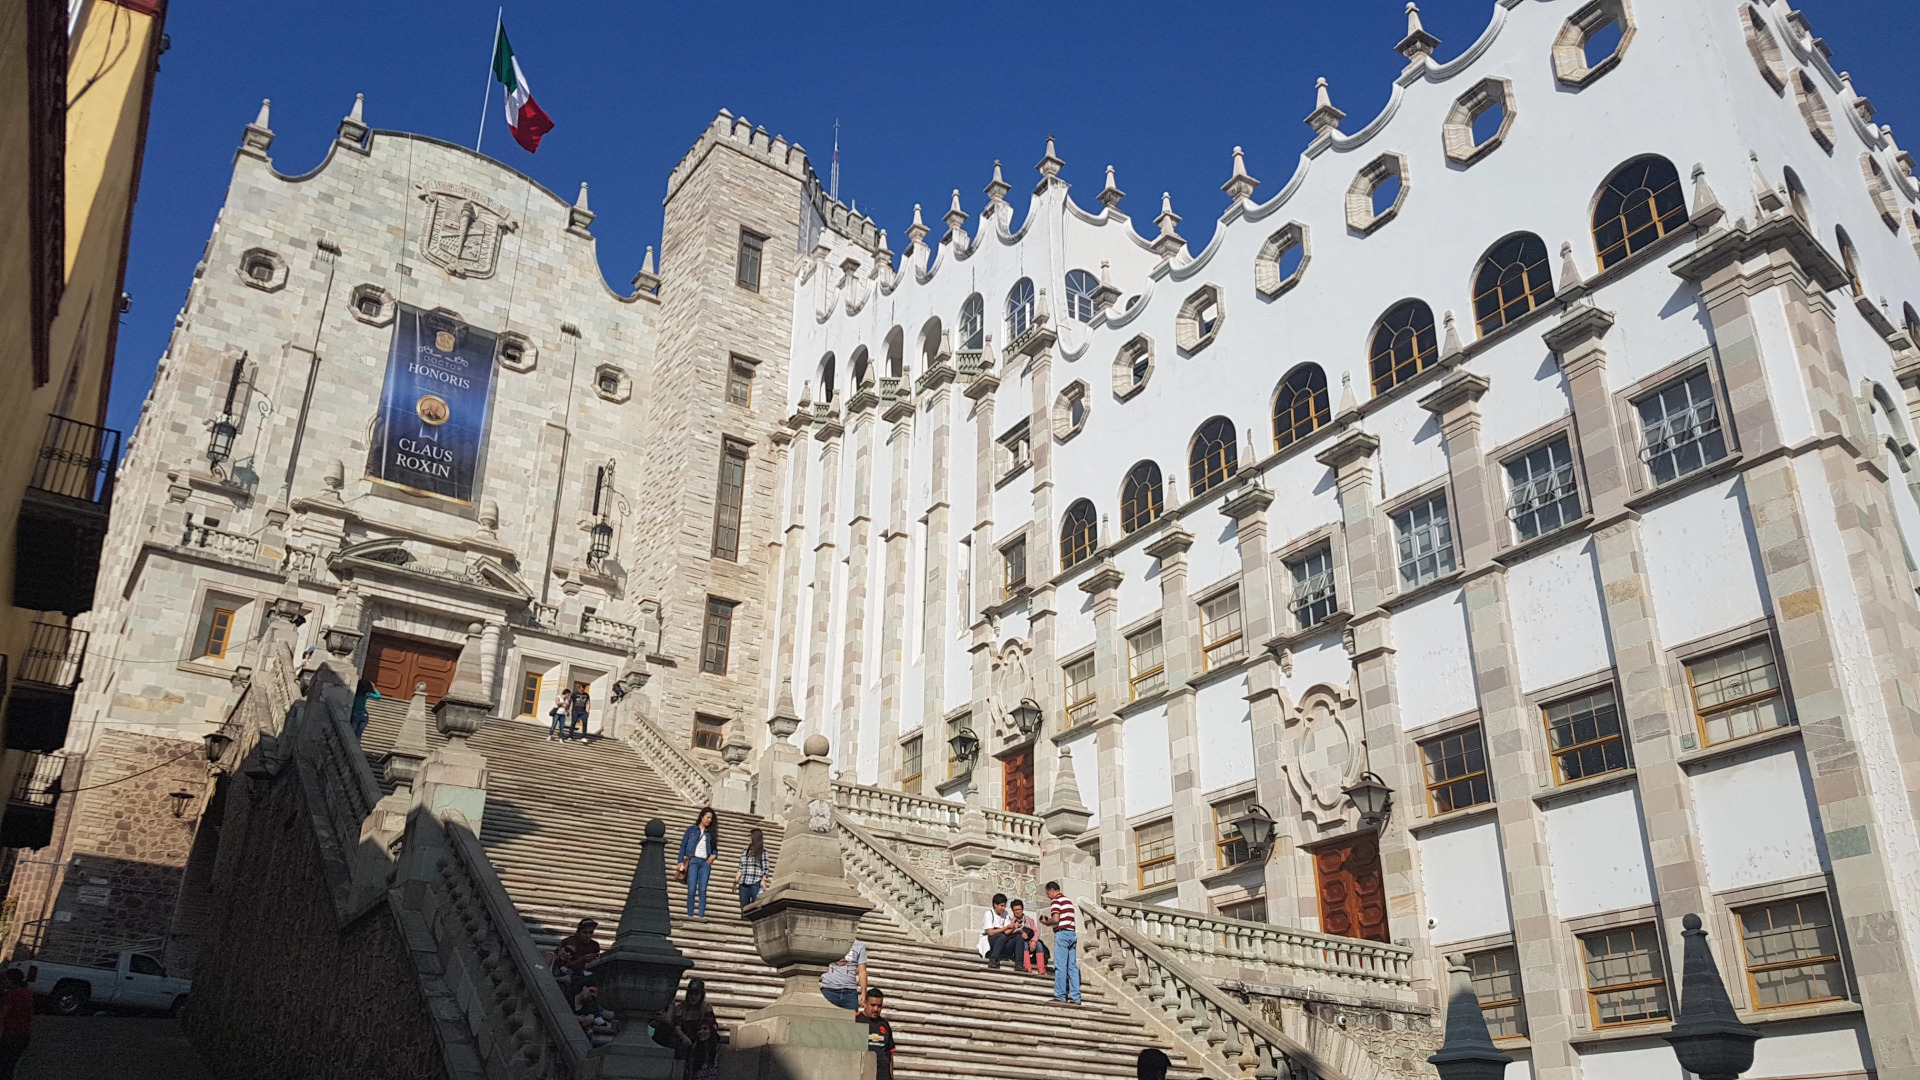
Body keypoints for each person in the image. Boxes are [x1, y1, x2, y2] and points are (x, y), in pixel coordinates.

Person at [660, 979, 723, 1080]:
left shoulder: (706, 1007)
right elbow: (677, 1026)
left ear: (701, 995)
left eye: (696, 994)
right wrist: (684, 1037)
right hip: (682, 1040)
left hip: (699, 1039)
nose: (693, 997)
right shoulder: (680, 1008)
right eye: (691, 993)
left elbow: (710, 1026)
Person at [1040, 880, 1081, 1005]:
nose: (1048, 896)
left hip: (1062, 934)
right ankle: (1076, 997)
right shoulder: (1068, 901)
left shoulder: (1056, 901)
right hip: (1072, 934)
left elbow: (1056, 919)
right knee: (1072, 967)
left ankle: (1060, 995)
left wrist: (1047, 922)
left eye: (1048, 893)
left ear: (1052, 890)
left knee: (1060, 966)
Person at [677, 807, 720, 918]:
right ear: (702, 817)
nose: (709, 820)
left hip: (705, 863)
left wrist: (714, 855)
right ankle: (690, 914)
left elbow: (714, 849)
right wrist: (680, 861)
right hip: (693, 861)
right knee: (691, 889)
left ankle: (701, 915)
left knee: (702, 889)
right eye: (708, 817)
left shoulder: (710, 833)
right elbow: (683, 845)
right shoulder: (691, 830)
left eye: (711, 818)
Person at [858, 988, 897, 1080]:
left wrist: (891, 1076)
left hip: (883, 1075)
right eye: (873, 1005)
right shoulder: (857, 1020)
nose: (876, 1009)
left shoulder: (884, 1024)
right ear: (865, 1003)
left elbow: (889, 1053)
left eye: (879, 1006)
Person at [819, 939, 868, 1009]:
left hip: (850, 992)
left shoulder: (859, 945)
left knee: (851, 1019)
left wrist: (863, 993)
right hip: (829, 989)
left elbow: (862, 971)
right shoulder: (828, 941)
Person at [0, 969, 29, 1080]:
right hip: (23, 1035)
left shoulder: (12, 995)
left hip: (12, 1035)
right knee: (9, 1066)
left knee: (3, 1067)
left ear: (9, 980)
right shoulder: (26, 993)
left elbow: (2, 1015)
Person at [980, 893, 1021, 969]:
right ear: (995, 905)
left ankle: (1019, 964)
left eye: (1004, 906)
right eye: (1001, 906)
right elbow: (990, 932)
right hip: (990, 939)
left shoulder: (1005, 914)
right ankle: (993, 959)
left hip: (1003, 939)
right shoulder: (989, 913)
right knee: (1002, 936)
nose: (1003, 908)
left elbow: (1006, 932)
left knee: (1018, 937)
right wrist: (1006, 928)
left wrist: (1014, 927)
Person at [735, 827, 773, 910]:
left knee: (755, 906)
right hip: (744, 883)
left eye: (750, 836)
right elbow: (741, 865)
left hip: (755, 882)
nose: (749, 838)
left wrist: (763, 880)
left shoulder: (763, 852)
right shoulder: (745, 851)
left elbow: (766, 869)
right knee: (744, 907)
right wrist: (737, 877)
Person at [1009, 898, 1047, 976]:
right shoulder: (1011, 921)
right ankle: (1027, 967)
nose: (1017, 911)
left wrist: (1034, 941)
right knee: (1024, 944)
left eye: (1019, 909)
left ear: (1022, 909)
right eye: (1015, 910)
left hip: (1030, 941)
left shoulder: (1029, 920)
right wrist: (1020, 931)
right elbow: (1010, 932)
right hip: (1019, 943)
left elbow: (1036, 931)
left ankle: (1041, 970)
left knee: (1039, 944)